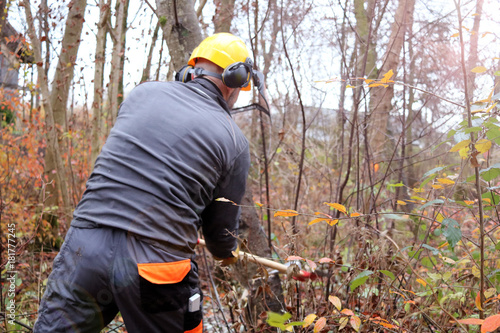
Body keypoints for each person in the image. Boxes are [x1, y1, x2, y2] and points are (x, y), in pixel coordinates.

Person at [34, 32, 266, 333]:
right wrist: (226, 252)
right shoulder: (235, 142)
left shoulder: (141, 94)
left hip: (84, 248)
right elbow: (220, 236)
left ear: (190, 72)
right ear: (234, 81)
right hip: (156, 267)